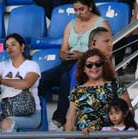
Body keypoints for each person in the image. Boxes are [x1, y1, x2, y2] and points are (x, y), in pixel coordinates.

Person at [40, 0, 110, 129]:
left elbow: (104, 51)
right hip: (69, 61)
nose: (78, 13)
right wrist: (64, 55)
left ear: (90, 7)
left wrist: (82, 55)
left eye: (81, 9)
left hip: (88, 64)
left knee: (65, 79)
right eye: (76, 10)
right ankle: (37, 114)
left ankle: (59, 119)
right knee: (43, 78)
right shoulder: (71, 24)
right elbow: (63, 49)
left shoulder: (101, 23)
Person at [51, 27, 113, 137]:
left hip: (107, 129)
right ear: (93, 43)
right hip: (86, 132)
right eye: (106, 41)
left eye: (111, 41)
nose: (110, 45)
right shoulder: (83, 67)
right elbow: (74, 101)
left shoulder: (107, 64)